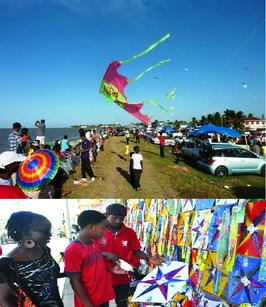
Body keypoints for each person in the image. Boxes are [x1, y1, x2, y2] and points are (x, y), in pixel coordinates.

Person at [98, 204, 164, 307]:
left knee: (123, 303)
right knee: (102, 304)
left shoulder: (129, 232)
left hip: (122, 275)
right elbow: (89, 252)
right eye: (114, 218)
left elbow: (136, 251)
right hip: (102, 275)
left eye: (121, 218)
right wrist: (106, 254)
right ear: (107, 215)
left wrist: (148, 258)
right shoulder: (98, 232)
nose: (118, 221)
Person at [0, 211, 64, 307]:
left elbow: (48, 276)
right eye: (45, 231)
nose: (50, 235)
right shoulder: (7, 264)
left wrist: (73, 273)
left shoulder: (44, 250)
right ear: (27, 232)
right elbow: (5, 300)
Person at [64, 210, 126, 307]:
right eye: (103, 228)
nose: (105, 231)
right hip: (90, 301)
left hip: (102, 297)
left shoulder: (92, 243)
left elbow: (92, 267)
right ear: (91, 227)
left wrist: (111, 270)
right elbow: (74, 281)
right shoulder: (72, 250)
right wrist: (88, 304)